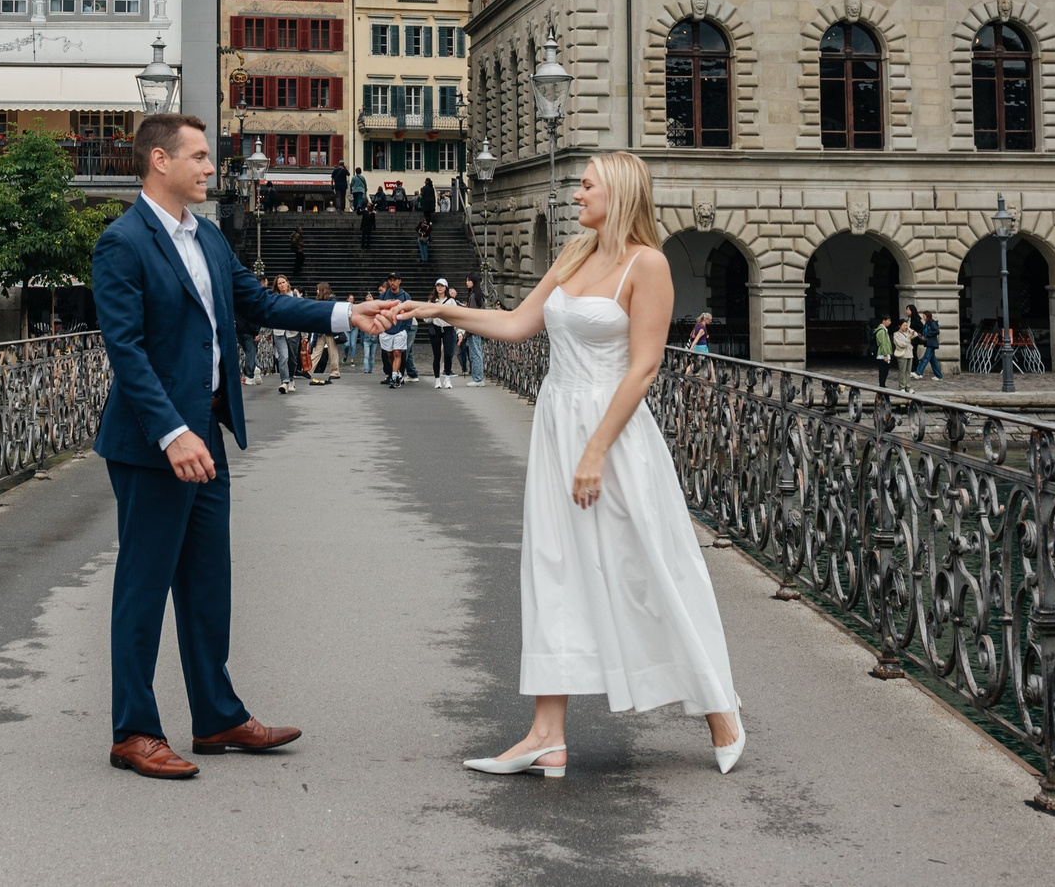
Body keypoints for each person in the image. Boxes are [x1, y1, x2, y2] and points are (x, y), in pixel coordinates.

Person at [406, 151, 742, 778]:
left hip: (613, 435)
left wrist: (595, 451)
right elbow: (515, 325)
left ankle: (719, 705)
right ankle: (546, 735)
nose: (577, 192)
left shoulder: (649, 265)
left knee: (648, 568)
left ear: (617, 191)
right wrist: (439, 311)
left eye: (586, 184)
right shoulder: (573, 253)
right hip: (558, 422)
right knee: (552, 568)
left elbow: (643, 368)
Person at [89, 113, 392, 779]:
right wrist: (172, 431)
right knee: (143, 588)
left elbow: (258, 303)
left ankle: (217, 714)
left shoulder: (210, 237)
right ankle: (133, 731)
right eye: (199, 155)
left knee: (207, 585)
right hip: (154, 445)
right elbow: (127, 351)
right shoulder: (123, 242)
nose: (210, 166)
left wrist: (346, 313)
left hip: (208, 437)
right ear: (160, 160)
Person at [269, 276, 302, 393]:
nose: (282, 285)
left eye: (283, 282)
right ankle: (284, 381)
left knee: (292, 359)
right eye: (279, 283)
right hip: (278, 331)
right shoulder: (274, 297)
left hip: (293, 331)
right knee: (283, 356)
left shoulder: (294, 296)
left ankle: (291, 379)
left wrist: (305, 334)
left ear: (288, 283)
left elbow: (301, 313)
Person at [425, 280, 459, 386]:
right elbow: (426, 318)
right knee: (437, 355)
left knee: (448, 354)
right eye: (438, 286)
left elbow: (456, 316)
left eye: (442, 286)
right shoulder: (432, 301)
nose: (440, 288)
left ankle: (447, 377)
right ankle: (437, 379)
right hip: (436, 328)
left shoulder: (451, 301)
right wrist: (433, 315)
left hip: (448, 328)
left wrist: (459, 331)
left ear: (446, 288)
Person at [308, 282, 341, 383]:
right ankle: (309, 370)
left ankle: (335, 372)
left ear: (322, 290)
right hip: (322, 329)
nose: (317, 291)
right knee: (317, 351)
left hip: (330, 329)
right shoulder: (323, 300)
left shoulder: (332, 300)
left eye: (318, 289)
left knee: (332, 351)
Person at [912, 309, 943, 381]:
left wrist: (927, 335)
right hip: (929, 343)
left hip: (931, 343)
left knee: (925, 358)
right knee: (933, 360)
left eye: (924, 316)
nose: (923, 317)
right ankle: (938, 376)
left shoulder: (932, 323)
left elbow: (937, 331)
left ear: (928, 316)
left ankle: (918, 372)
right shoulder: (927, 323)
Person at [872, 312, 898, 389]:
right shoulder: (881, 331)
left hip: (884, 354)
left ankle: (883, 384)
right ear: (884, 321)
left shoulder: (884, 330)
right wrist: (885, 355)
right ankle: (882, 385)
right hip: (882, 354)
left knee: (884, 371)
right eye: (888, 320)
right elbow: (883, 343)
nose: (890, 322)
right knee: (883, 371)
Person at [903, 304, 926, 378]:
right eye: (906, 309)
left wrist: (914, 333)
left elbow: (921, 327)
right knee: (911, 355)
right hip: (909, 339)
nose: (907, 311)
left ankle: (916, 370)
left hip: (914, 340)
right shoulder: (908, 319)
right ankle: (913, 370)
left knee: (913, 355)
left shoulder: (916, 319)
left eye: (908, 310)